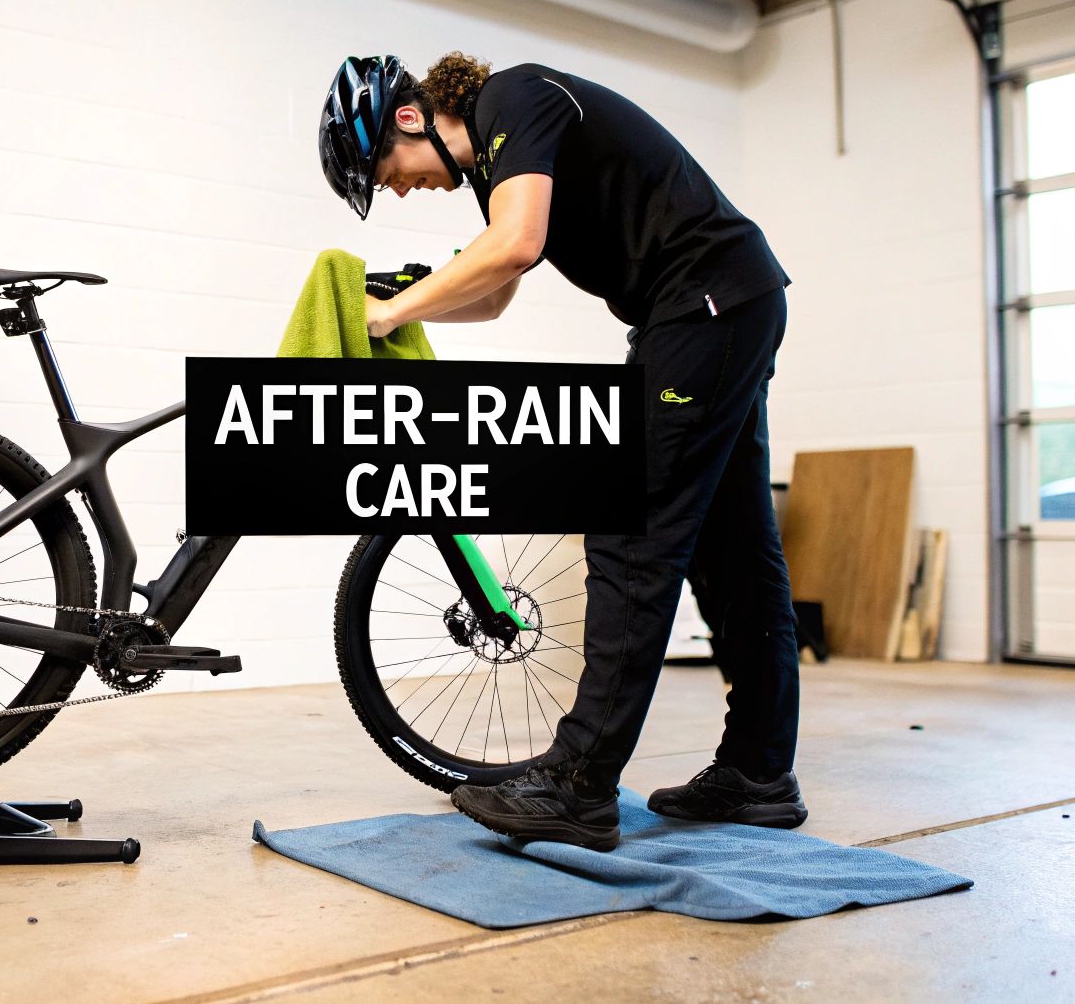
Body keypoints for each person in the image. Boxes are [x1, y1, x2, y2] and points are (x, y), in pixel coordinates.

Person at [318, 53, 805, 851]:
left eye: (388, 171)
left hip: (707, 308)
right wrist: (398, 308)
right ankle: (757, 775)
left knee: (631, 535)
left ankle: (578, 785)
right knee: (735, 549)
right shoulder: (497, 156)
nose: (401, 188)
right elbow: (498, 293)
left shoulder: (519, 97)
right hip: (716, 311)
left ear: (408, 120)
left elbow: (513, 247)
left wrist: (389, 314)